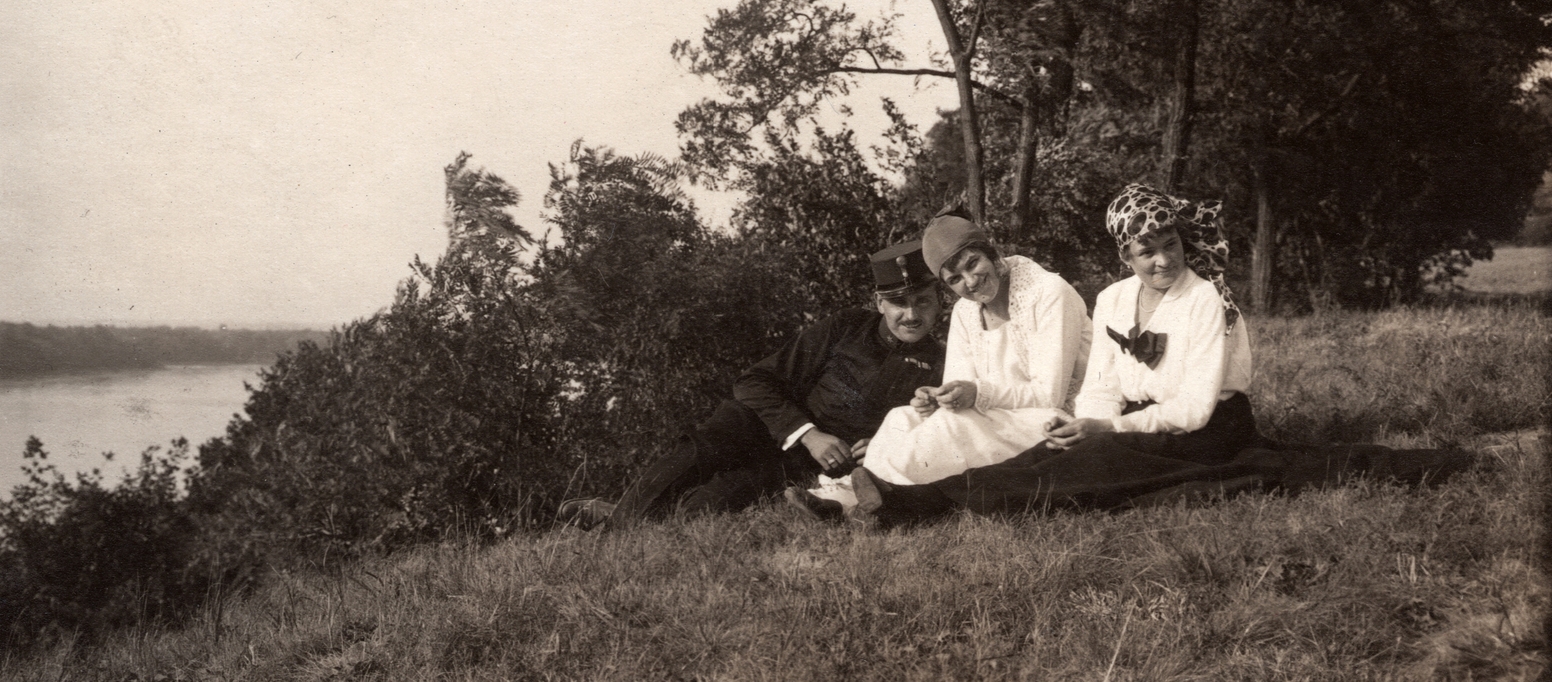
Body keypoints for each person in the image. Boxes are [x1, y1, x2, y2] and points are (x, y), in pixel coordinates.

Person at [842, 184, 1471, 529]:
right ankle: (904, 501)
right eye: (1146, 252)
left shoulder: (1209, 302)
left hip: (1209, 428)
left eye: (1169, 245)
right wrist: (1084, 422)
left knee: (1085, 476)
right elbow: (1100, 386)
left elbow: (1195, 409)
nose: (1162, 261)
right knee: (1055, 456)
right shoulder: (1114, 298)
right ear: (1126, 259)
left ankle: (920, 503)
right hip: (1133, 419)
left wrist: (1105, 428)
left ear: (1182, 242)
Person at [558, 240, 946, 530]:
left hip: (805, 468)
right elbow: (755, 380)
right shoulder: (846, 327)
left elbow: (928, 437)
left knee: (707, 507)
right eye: (898, 302)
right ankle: (622, 523)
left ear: (939, 302)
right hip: (766, 429)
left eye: (923, 302)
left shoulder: (944, 363)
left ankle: (618, 517)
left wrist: (879, 447)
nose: (911, 315)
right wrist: (810, 434)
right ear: (880, 303)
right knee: (711, 439)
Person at [857, 214, 1091, 486]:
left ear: (991, 251)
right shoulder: (964, 311)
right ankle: (860, 493)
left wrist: (977, 394)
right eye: (955, 278)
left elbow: (1049, 395)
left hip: (1060, 421)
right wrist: (941, 397)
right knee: (901, 417)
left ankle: (879, 492)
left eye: (973, 263)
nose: (969, 281)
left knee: (953, 426)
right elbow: (960, 387)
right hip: (999, 418)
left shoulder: (1048, 292)